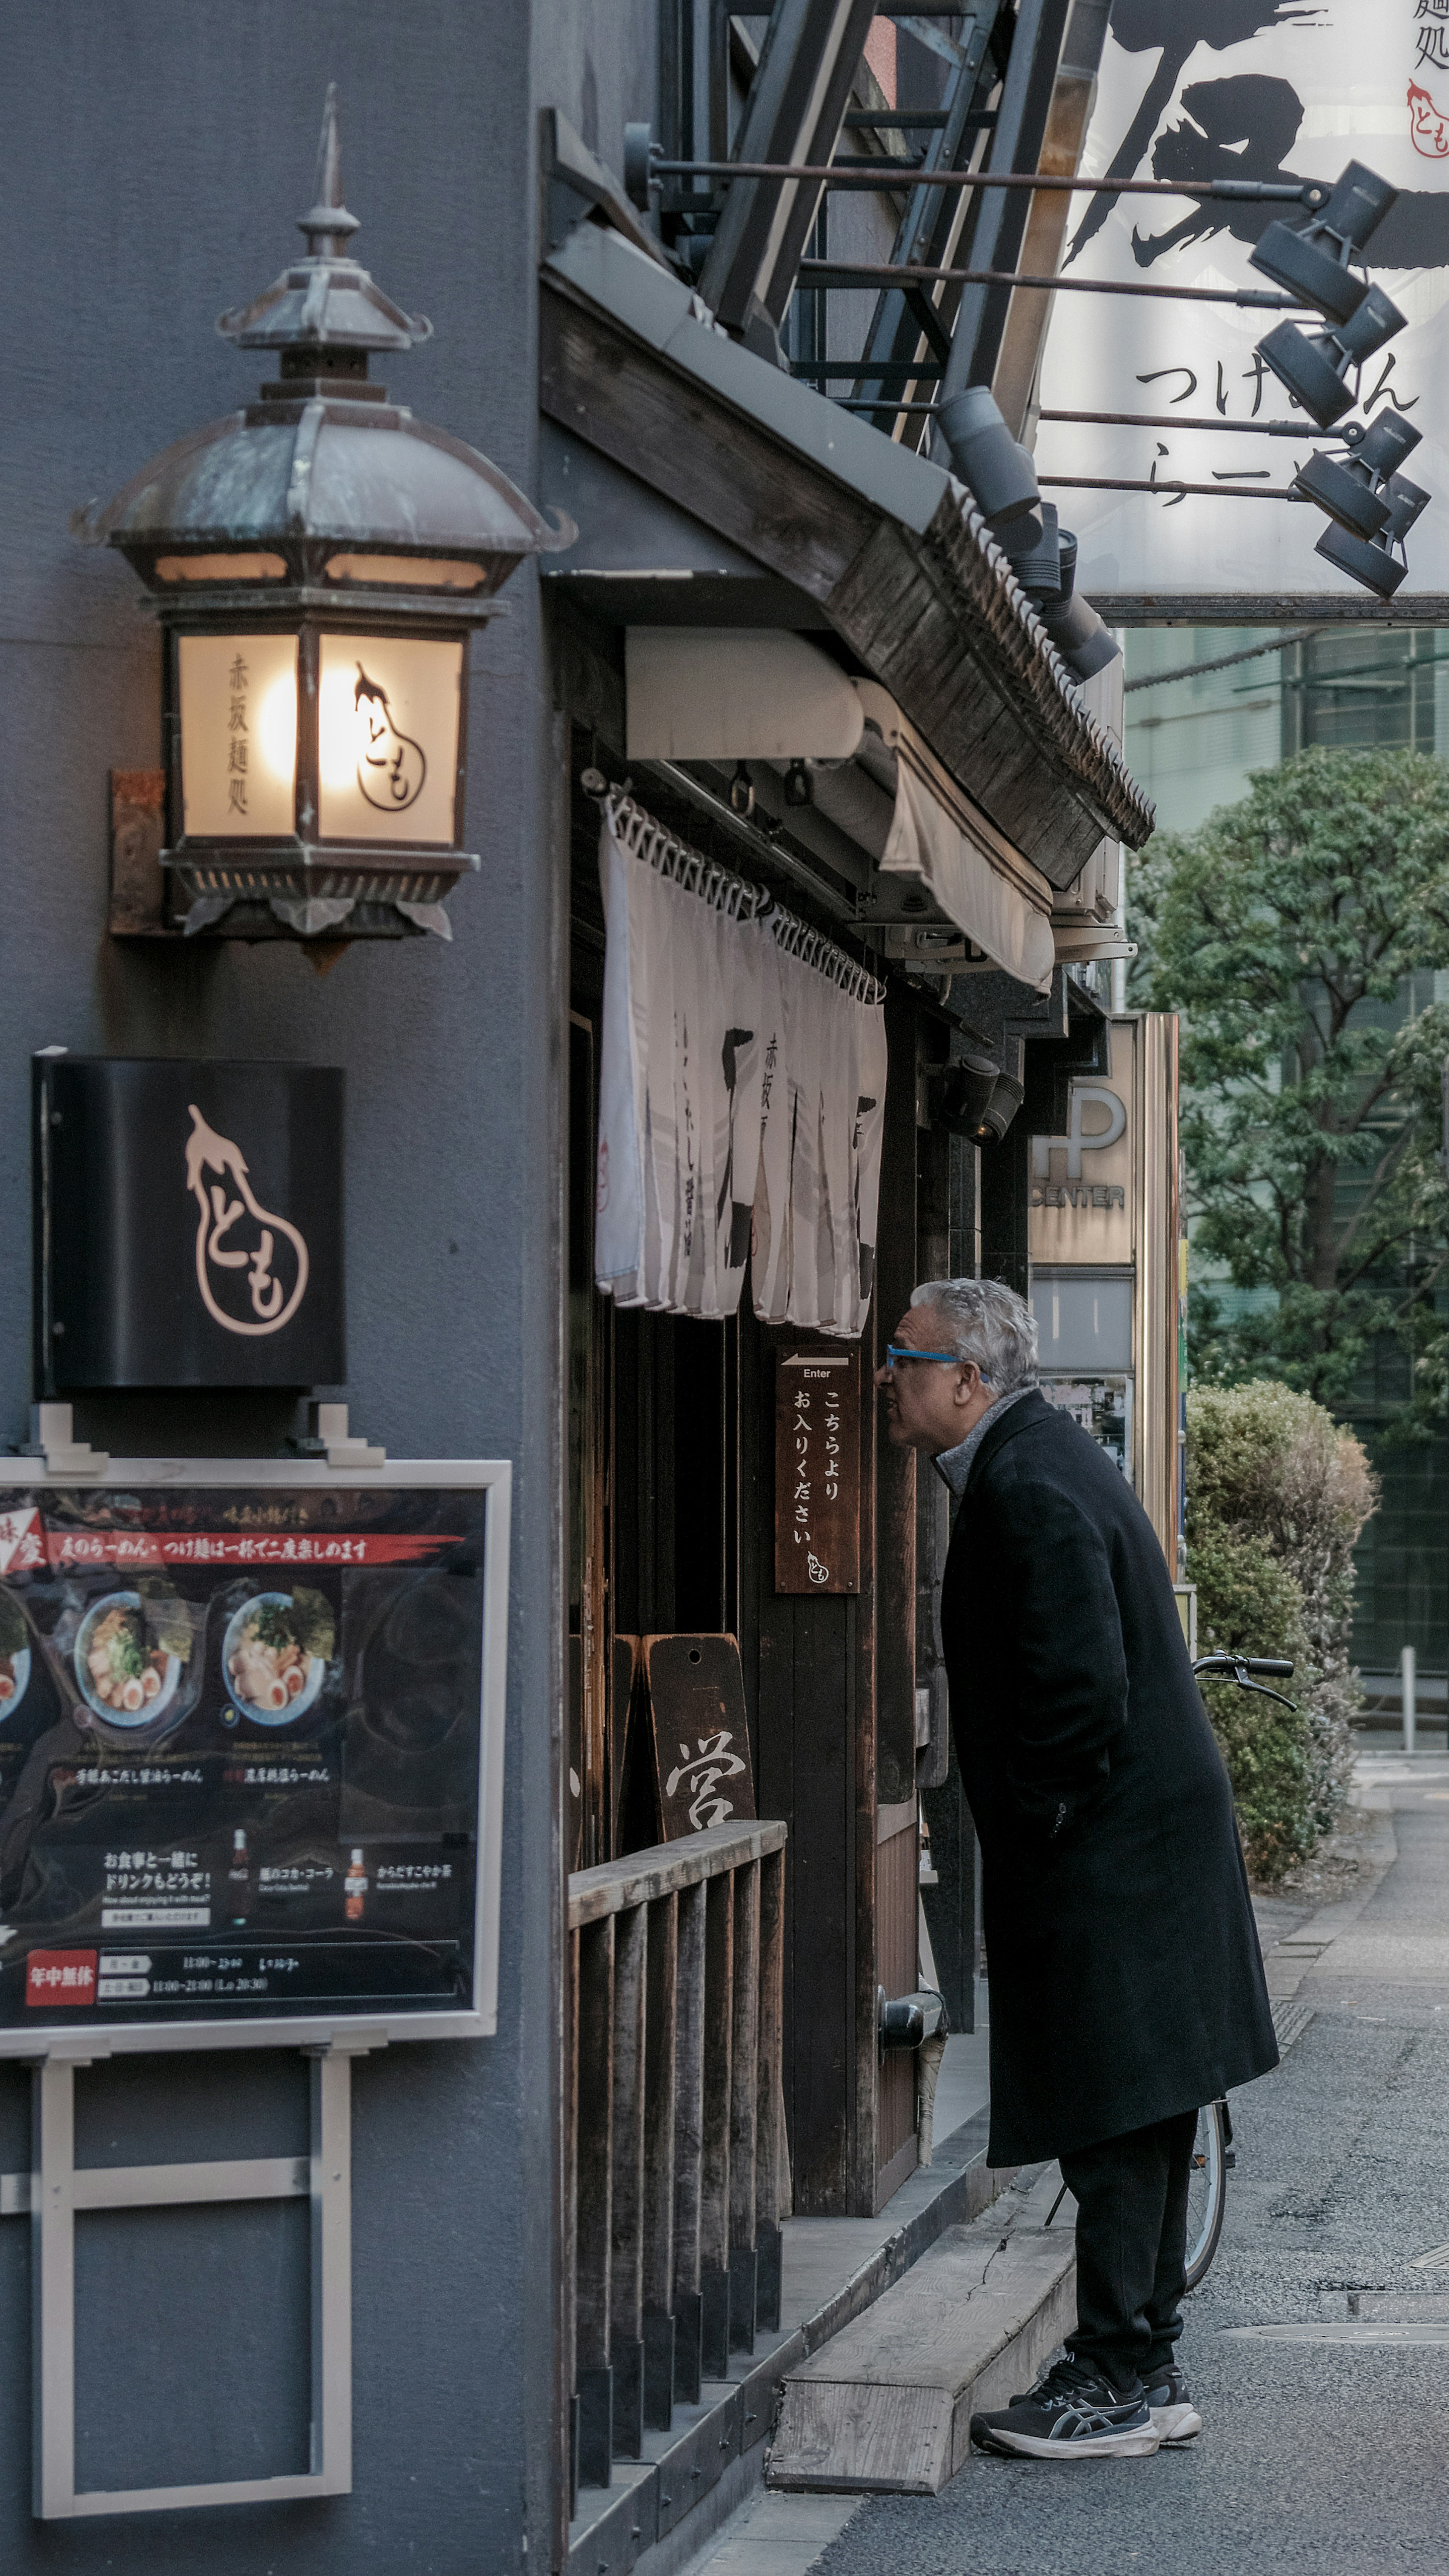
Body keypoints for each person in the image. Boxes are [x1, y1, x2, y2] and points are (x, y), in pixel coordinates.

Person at [877, 1276, 1277, 2461]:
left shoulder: (1027, 1483)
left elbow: (1074, 1688)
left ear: (968, 1380)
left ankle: (1114, 2372)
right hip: (1138, 1838)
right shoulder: (1039, 1461)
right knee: (1144, 2101)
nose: (888, 1375)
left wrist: (1041, 1839)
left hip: (1113, 1849)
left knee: (1116, 2107)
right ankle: (1141, 2360)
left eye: (905, 1355)